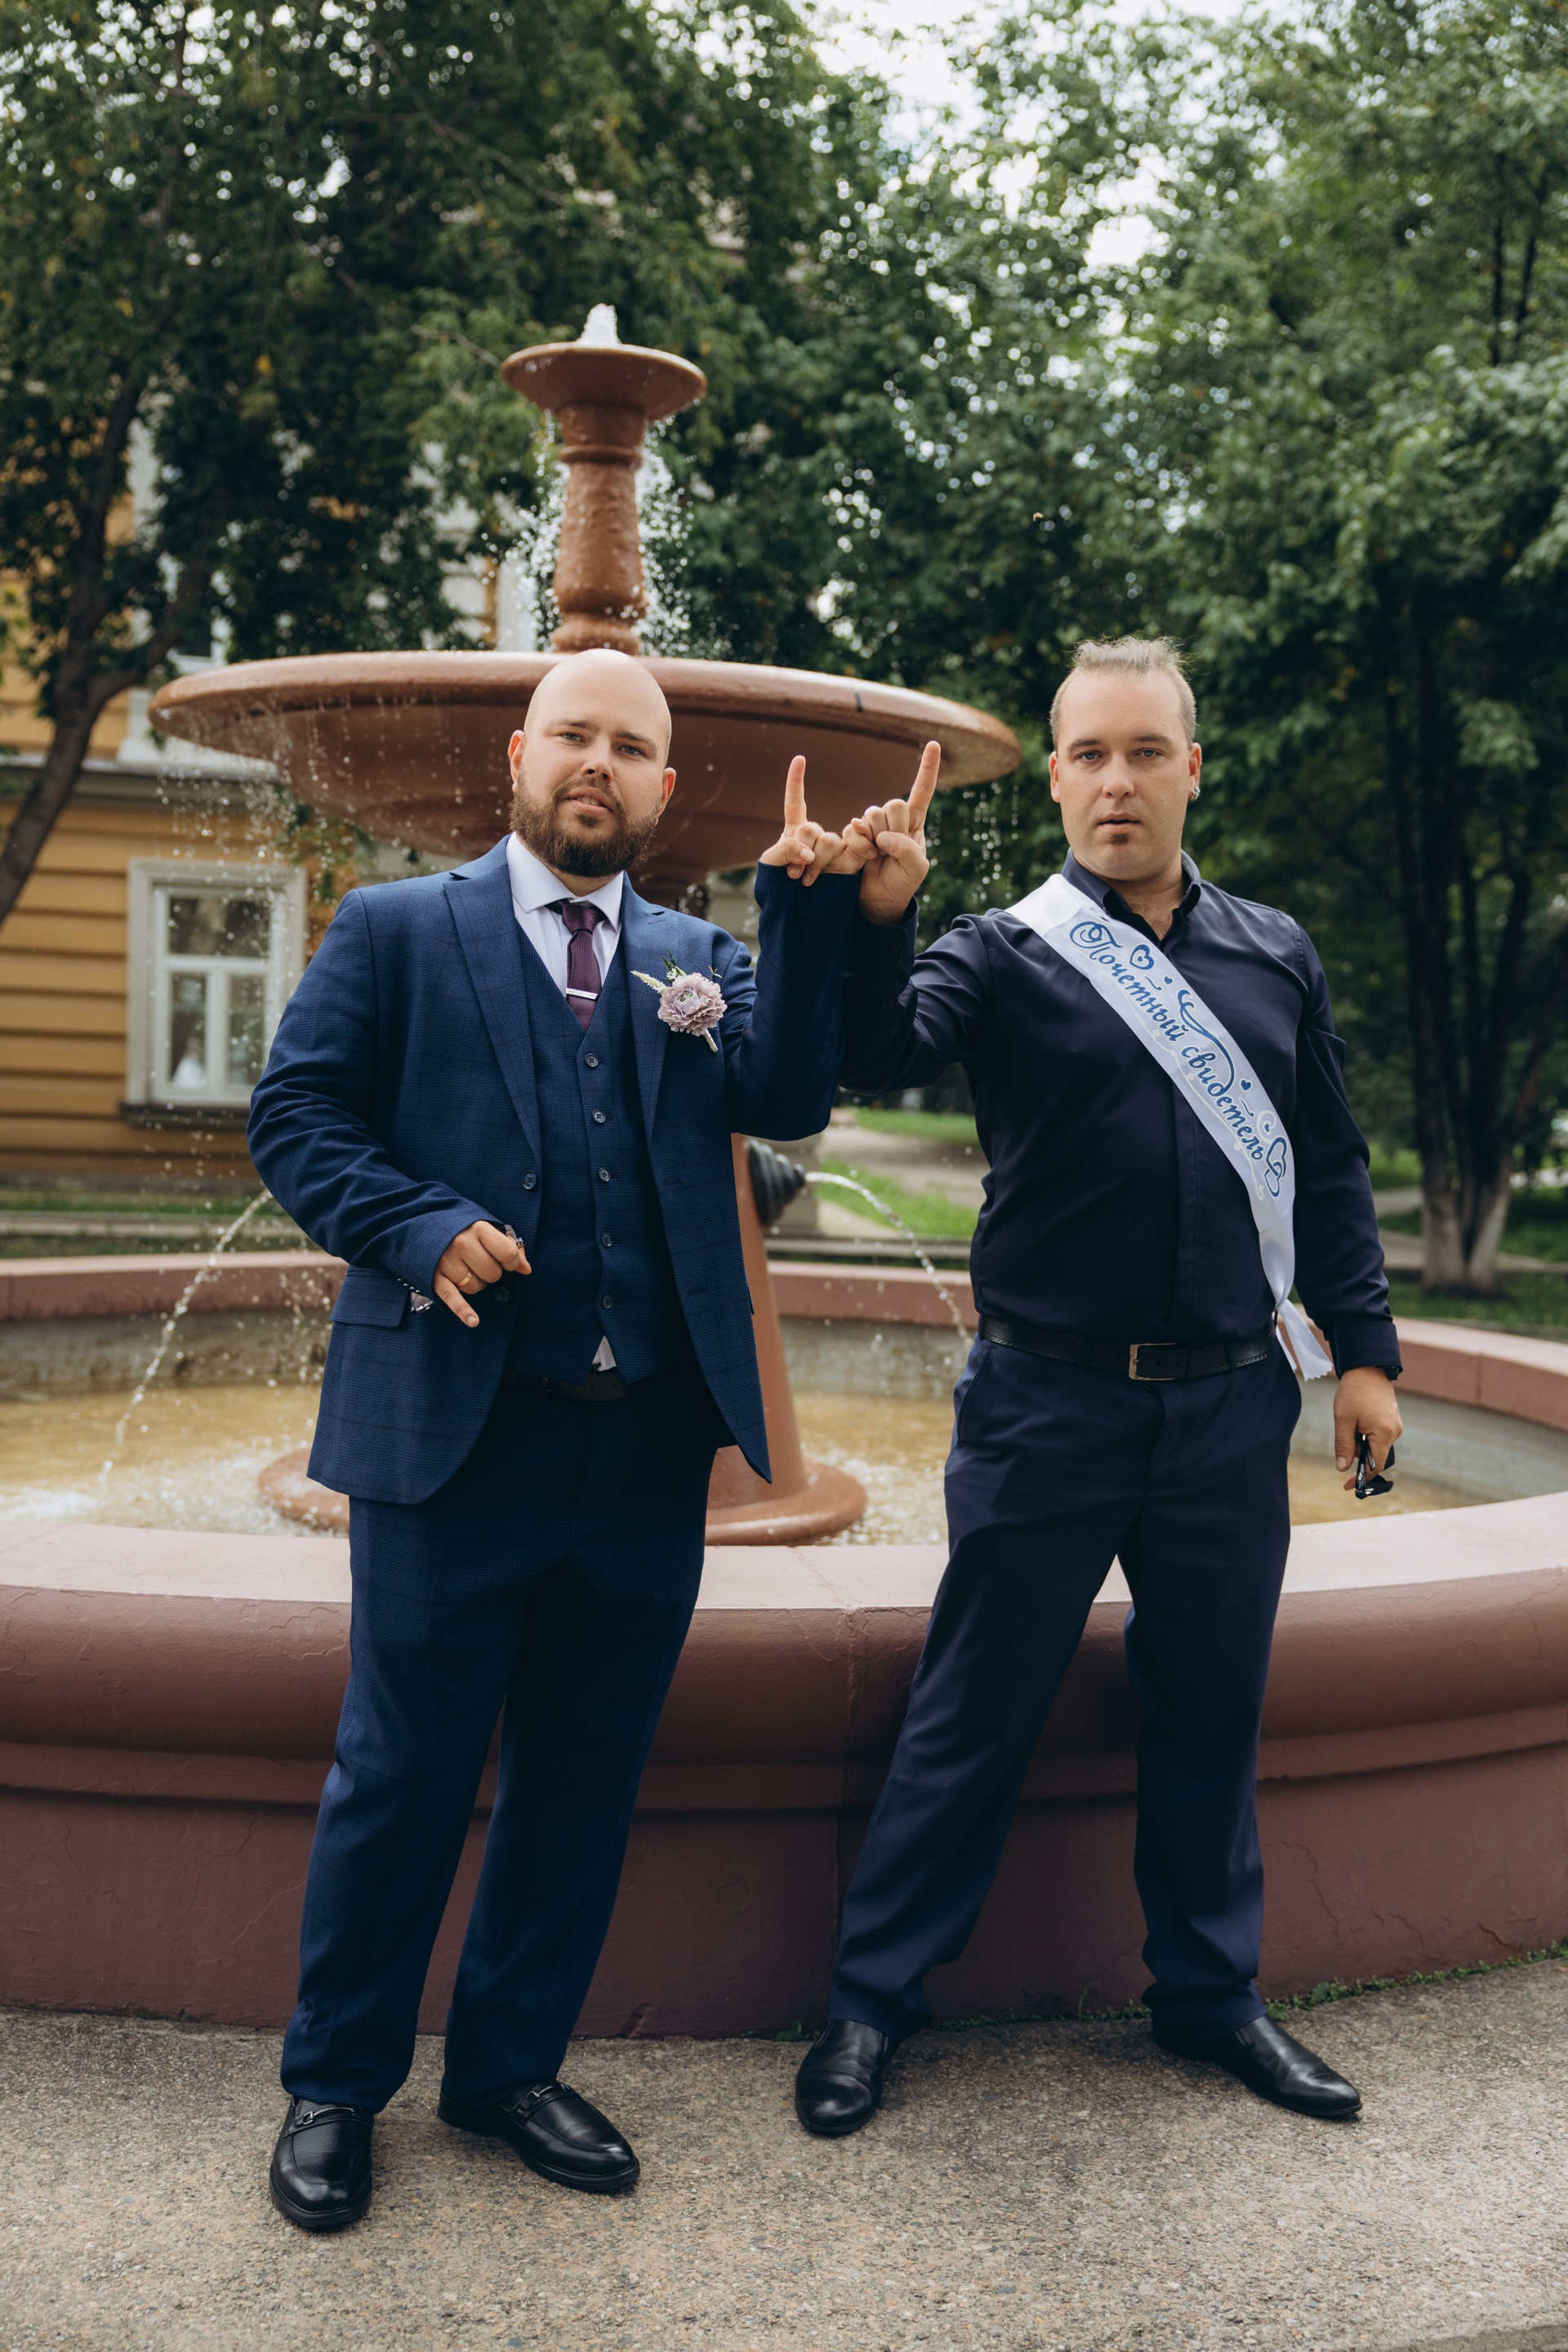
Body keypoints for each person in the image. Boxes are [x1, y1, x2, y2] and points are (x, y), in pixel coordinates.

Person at [248, 647, 876, 2230]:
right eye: (575, 735)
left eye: (631, 745)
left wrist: (809, 912)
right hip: (452, 1447)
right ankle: (336, 2087)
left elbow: (790, 1092)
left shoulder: (701, 958)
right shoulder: (395, 929)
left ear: (662, 787)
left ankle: (507, 2068)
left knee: (584, 1781)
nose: (600, 761)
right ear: (521, 757)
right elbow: (296, 1118)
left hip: (644, 1454)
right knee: (400, 1775)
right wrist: (414, 1225)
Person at [794, 636, 1402, 2138]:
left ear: (1193, 768)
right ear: (1058, 779)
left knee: (1212, 1710)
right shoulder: (1001, 952)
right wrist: (876, 919)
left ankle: (1210, 1997)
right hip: (1045, 1405)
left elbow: (1328, 1168)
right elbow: (868, 1056)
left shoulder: (1276, 953)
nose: (1116, 781)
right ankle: (870, 2003)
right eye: (1088, 755)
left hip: (1228, 1409)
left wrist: (1368, 1356)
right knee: (973, 1709)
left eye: (1144, 752)